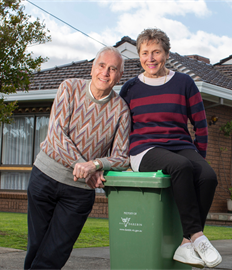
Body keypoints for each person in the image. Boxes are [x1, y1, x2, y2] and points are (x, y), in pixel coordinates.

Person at [120, 28, 222, 268]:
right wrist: (121, 160)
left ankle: (186, 244)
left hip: (180, 145)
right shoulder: (130, 88)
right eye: (145, 53)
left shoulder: (184, 83)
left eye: (156, 52)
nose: (151, 58)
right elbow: (121, 129)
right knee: (181, 166)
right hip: (144, 149)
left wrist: (201, 158)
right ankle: (198, 237)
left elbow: (200, 124)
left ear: (166, 54)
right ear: (139, 55)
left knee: (207, 176)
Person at [24, 46, 130, 270]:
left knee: (55, 252)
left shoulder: (121, 109)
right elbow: (56, 134)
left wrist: (96, 165)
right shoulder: (69, 87)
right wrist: (84, 167)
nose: (106, 73)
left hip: (78, 193)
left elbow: (121, 157)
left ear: (120, 76)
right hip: (44, 178)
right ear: (92, 68)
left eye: (113, 69)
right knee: (37, 247)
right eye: (102, 66)